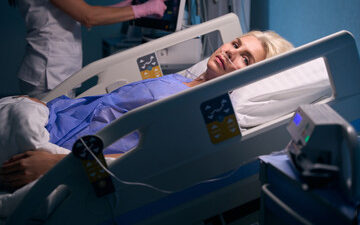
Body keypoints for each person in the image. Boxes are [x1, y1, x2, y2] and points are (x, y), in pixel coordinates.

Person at [0, 30, 293, 189]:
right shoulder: (183, 78)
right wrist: (50, 106)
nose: (231, 51)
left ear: (252, 77)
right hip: (48, 118)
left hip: (54, 148)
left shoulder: (198, 112)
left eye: (245, 59)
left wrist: (55, 166)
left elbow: (138, 161)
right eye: (236, 43)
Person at [7, 0, 177, 99]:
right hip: (49, 72)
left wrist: (124, 7)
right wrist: (143, 9)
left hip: (57, 70)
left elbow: (75, 16)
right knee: (47, 139)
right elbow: (87, 16)